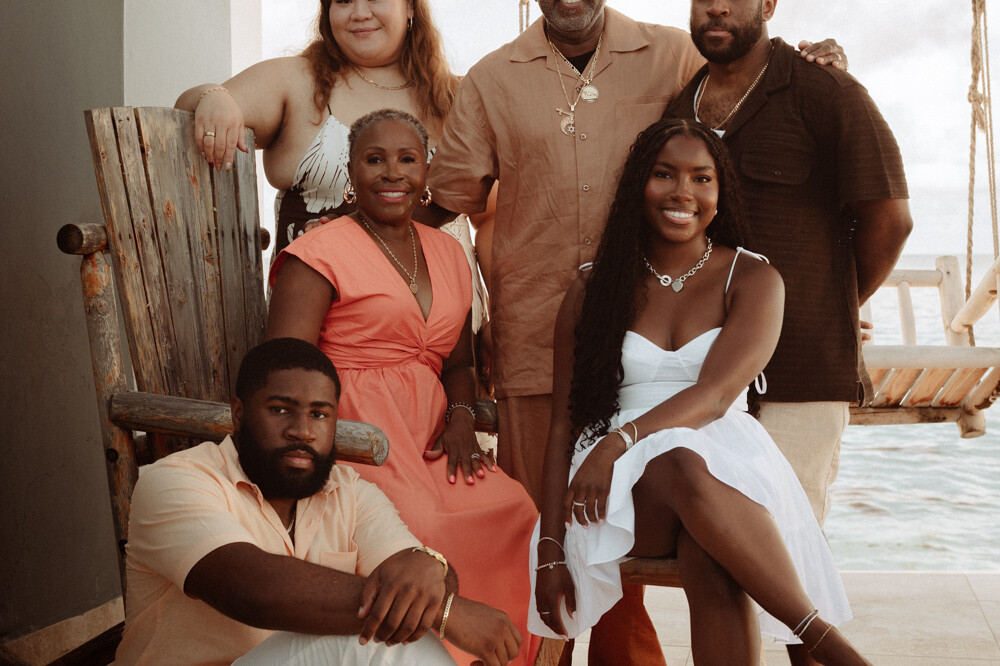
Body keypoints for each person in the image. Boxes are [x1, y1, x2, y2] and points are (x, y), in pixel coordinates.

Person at [417, 1, 847, 662]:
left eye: (698, 178)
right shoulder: (492, 78)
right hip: (538, 332)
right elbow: (448, 199)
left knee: (694, 543)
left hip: (679, 402)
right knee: (541, 548)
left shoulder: (674, 54)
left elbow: (749, 75)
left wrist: (811, 63)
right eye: (664, 174)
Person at [531, 118, 869, 665]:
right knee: (680, 461)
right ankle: (824, 642)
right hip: (616, 491)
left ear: (720, 191)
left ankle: (819, 640)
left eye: (701, 178)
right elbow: (562, 424)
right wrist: (549, 550)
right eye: (664, 175)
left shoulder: (754, 279)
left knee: (709, 550)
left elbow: (715, 398)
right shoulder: (593, 286)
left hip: (725, 460)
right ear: (638, 184)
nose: (683, 193)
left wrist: (618, 442)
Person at [664, 1, 912, 637]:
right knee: (718, 559)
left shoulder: (825, 91)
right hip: (701, 381)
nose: (716, 5)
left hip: (799, 371)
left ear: (769, 4)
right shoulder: (680, 108)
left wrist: (829, 307)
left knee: (791, 561)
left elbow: (890, 217)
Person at [265, 109, 539, 666]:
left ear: (426, 170)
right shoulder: (319, 253)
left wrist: (461, 415)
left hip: (434, 435)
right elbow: (283, 367)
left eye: (406, 159)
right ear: (351, 169)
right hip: (357, 431)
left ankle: (505, 657)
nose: (392, 173)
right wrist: (318, 439)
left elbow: (457, 362)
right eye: (374, 159)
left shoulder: (446, 252)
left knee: (516, 509)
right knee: (424, 526)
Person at [114, 337, 521, 665]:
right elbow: (254, 590)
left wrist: (430, 570)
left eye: (320, 414)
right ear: (239, 414)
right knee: (379, 643)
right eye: (280, 410)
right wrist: (444, 613)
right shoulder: (176, 481)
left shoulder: (350, 491)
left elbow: (418, 572)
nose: (302, 431)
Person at [175, 0, 487, 332]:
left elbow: (492, 221)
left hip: (444, 333)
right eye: (342, 1)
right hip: (319, 328)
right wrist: (213, 98)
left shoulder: (458, 96)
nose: (359, 12)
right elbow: (193, 105)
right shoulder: (296, 81)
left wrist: (501, 321)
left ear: (410, 7)